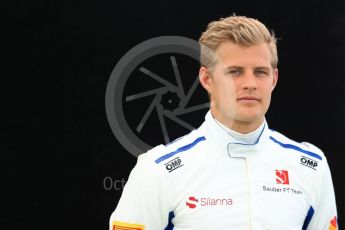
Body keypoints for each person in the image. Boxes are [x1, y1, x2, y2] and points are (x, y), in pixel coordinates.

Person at [109, 15, 338, 230]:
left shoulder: (311, 166)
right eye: (235, 72)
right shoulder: (158, 170)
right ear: (207, 79)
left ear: (274, 79)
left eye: (260, 72)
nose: (250, 83)